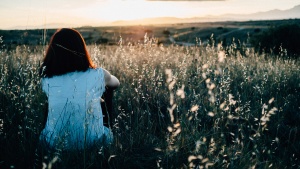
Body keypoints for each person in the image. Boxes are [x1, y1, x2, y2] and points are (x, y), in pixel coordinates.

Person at [38, 28, 120, 151]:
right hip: (93, 143)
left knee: (51, 100)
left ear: (53, 51)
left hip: (54, 144)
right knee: (107, 91)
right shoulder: (98, 74)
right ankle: (106, 132)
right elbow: (116, 83)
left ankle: (54, 132)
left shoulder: (46, 79)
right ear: (81, 49)